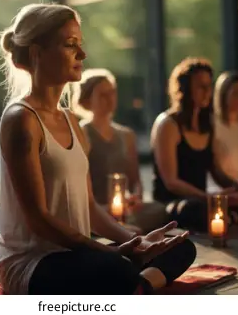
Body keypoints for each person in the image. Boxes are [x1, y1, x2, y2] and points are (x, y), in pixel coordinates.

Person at [0, 3, 196, 295]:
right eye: (70, 45)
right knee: (116, 269)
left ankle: (138, 287)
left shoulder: (71, 121)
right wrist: (110, 253)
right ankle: (136, 283)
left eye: (80, 44)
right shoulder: (21, 120)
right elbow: (38, 219)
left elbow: (89, 206)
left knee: (181, 247)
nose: (82, 54)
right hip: (33, 262)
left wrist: (135, 242)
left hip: (78, 253)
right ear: (37, 53)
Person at [151, 58, 238, 232]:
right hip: (177, 201)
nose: (207, 92)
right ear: (186, 88)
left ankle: (231, 217)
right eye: (201, 87)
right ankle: (231, 217)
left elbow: (216, 170)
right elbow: (171, 182)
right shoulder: (167, 124)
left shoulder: (206, 124)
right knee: (192, 210)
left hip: (205, 199)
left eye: (208, 86)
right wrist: (208, 197)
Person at [72, 68, 168, 234]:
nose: (109, 99)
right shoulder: (81, 133)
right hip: (98, 208)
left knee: (160, 210)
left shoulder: (126, 135)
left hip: (125, 207)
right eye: (103, 95)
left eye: (112, 93)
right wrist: (102, 208)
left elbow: (135, 179)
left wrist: (136, 197)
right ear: (87, 101)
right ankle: (112, 228)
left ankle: (122, 228)